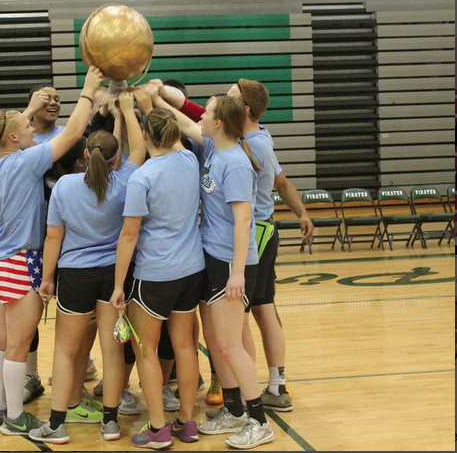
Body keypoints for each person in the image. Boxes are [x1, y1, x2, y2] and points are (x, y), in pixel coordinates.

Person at [0, 66, 103, 436]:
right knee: (18, 345)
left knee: (1, 342)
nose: (34, 130)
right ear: (14, 137)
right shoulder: (26, 161)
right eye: (27, 128)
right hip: (21, 260)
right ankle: (15, 416)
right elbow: (75, 132)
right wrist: (88, 90)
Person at [28, 91, 147, 444]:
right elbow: (138, 151)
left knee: (65, 350)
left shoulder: (64, 186)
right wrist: (126, 110)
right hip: (112, 274)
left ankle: (57, 423)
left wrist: (47, 279)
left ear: (84, 155)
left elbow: (53, 239)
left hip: (75, 276)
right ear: (116, 159)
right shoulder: (125, 180)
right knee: (112, 352)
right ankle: (110, 423)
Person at [163, 94, 275, 449]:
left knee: (229, 344)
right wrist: (151, 96)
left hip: (232, 263)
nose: (200, 117)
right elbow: (183, 123)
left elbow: (244, 221)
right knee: (218, 342)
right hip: (214, 258)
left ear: (219, 123)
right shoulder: (215, 148)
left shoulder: (236, 164)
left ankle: (259, 420)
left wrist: (238, 274)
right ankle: (234, 409)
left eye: (206, 113)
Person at [110, 105, 205, 449]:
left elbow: (129, 235)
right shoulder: (189, 161)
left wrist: (119, 285)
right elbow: (175, 136)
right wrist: (152, 102)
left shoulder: (142, 177)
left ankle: (158, 429)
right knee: (185, 346)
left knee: (146, 350)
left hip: (155, 275)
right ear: (175, 133)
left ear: (147, 136)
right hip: (192, 270)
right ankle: (188, 423)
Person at [228, 79, 313, 412]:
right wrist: (302, 212)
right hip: (264, 231)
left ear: (245, 109)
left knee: (250, 312)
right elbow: (282, 182)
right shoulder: (258, 137)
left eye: (230, 98)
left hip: (257, 234)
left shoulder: (252, 144)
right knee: (264, 309)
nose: (224, 102)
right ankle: (276, 386)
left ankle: (251, 393)